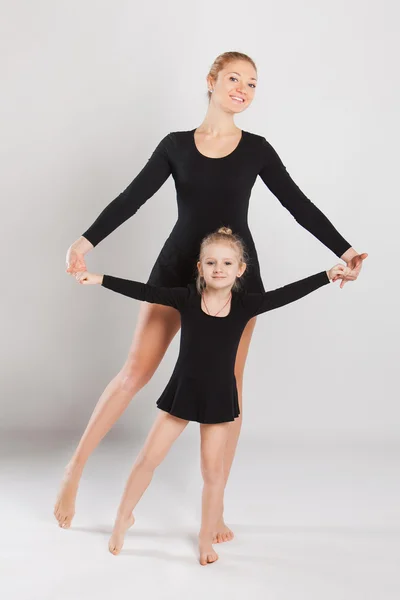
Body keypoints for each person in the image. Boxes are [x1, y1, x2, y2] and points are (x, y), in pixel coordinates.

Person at [54, 51, 366, 540]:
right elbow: (131, 198)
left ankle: (214, 508)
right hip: (177, 268)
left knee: (229, 392)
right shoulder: (176, 145)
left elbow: (298, 204)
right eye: (234, 78)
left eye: (253, 83)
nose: (243, 88)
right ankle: (74, 469)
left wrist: (344, 250)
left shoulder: (257, 149)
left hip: (235, 279)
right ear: (212, 81)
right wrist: (85, 241)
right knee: (135, 372)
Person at [74, 227, 366, 564]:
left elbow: (286, 294)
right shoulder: (185, 297)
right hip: (181, 394)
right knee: (148, 459)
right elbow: (145, 291)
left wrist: (328, 275)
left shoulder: (245, 306)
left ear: (240, 269)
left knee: (213, 473)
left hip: (218, 401)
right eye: (211, 262)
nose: (218, 269)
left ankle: (205, 537)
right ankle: (122, 519)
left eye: (227, 263)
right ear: (199, 267)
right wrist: (98, 279)